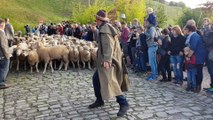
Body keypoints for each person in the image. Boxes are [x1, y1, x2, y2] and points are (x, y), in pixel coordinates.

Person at [89, 10, 129, 117]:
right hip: (107, 59)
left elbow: (108, 45)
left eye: (96, 20)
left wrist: (107, 59)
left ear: (99, 20)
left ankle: (123, 103)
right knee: (96, 79)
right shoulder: (105, 28)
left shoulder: (105, 30)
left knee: (111, 81)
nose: (95, 21)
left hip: (107, 61)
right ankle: (99, 100)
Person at [184, 25, 207, 92]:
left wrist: (188, 57)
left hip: (198, 57)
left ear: (188, 30)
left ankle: (198, 86)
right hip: (196, 56)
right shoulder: (192, 36)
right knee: (196, 72)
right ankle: (195, 85)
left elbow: (192, 49)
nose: (184, 31)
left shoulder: (194, 36)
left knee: (198, 72)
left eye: (185, 29)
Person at [0, 18, 11, 89]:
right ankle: (1, 83)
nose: (5, 26)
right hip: (2, 55)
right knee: (4, 68)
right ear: (1, 25)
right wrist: (7, 55)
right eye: (4, 24)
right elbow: (3, 45)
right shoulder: (1, 33)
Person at [203, 22, 213, 92]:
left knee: (211, 72)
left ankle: (212, 88)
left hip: (211, 55)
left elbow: (208, 42)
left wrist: (204, 35)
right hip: (210, 54)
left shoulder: (211, 33)